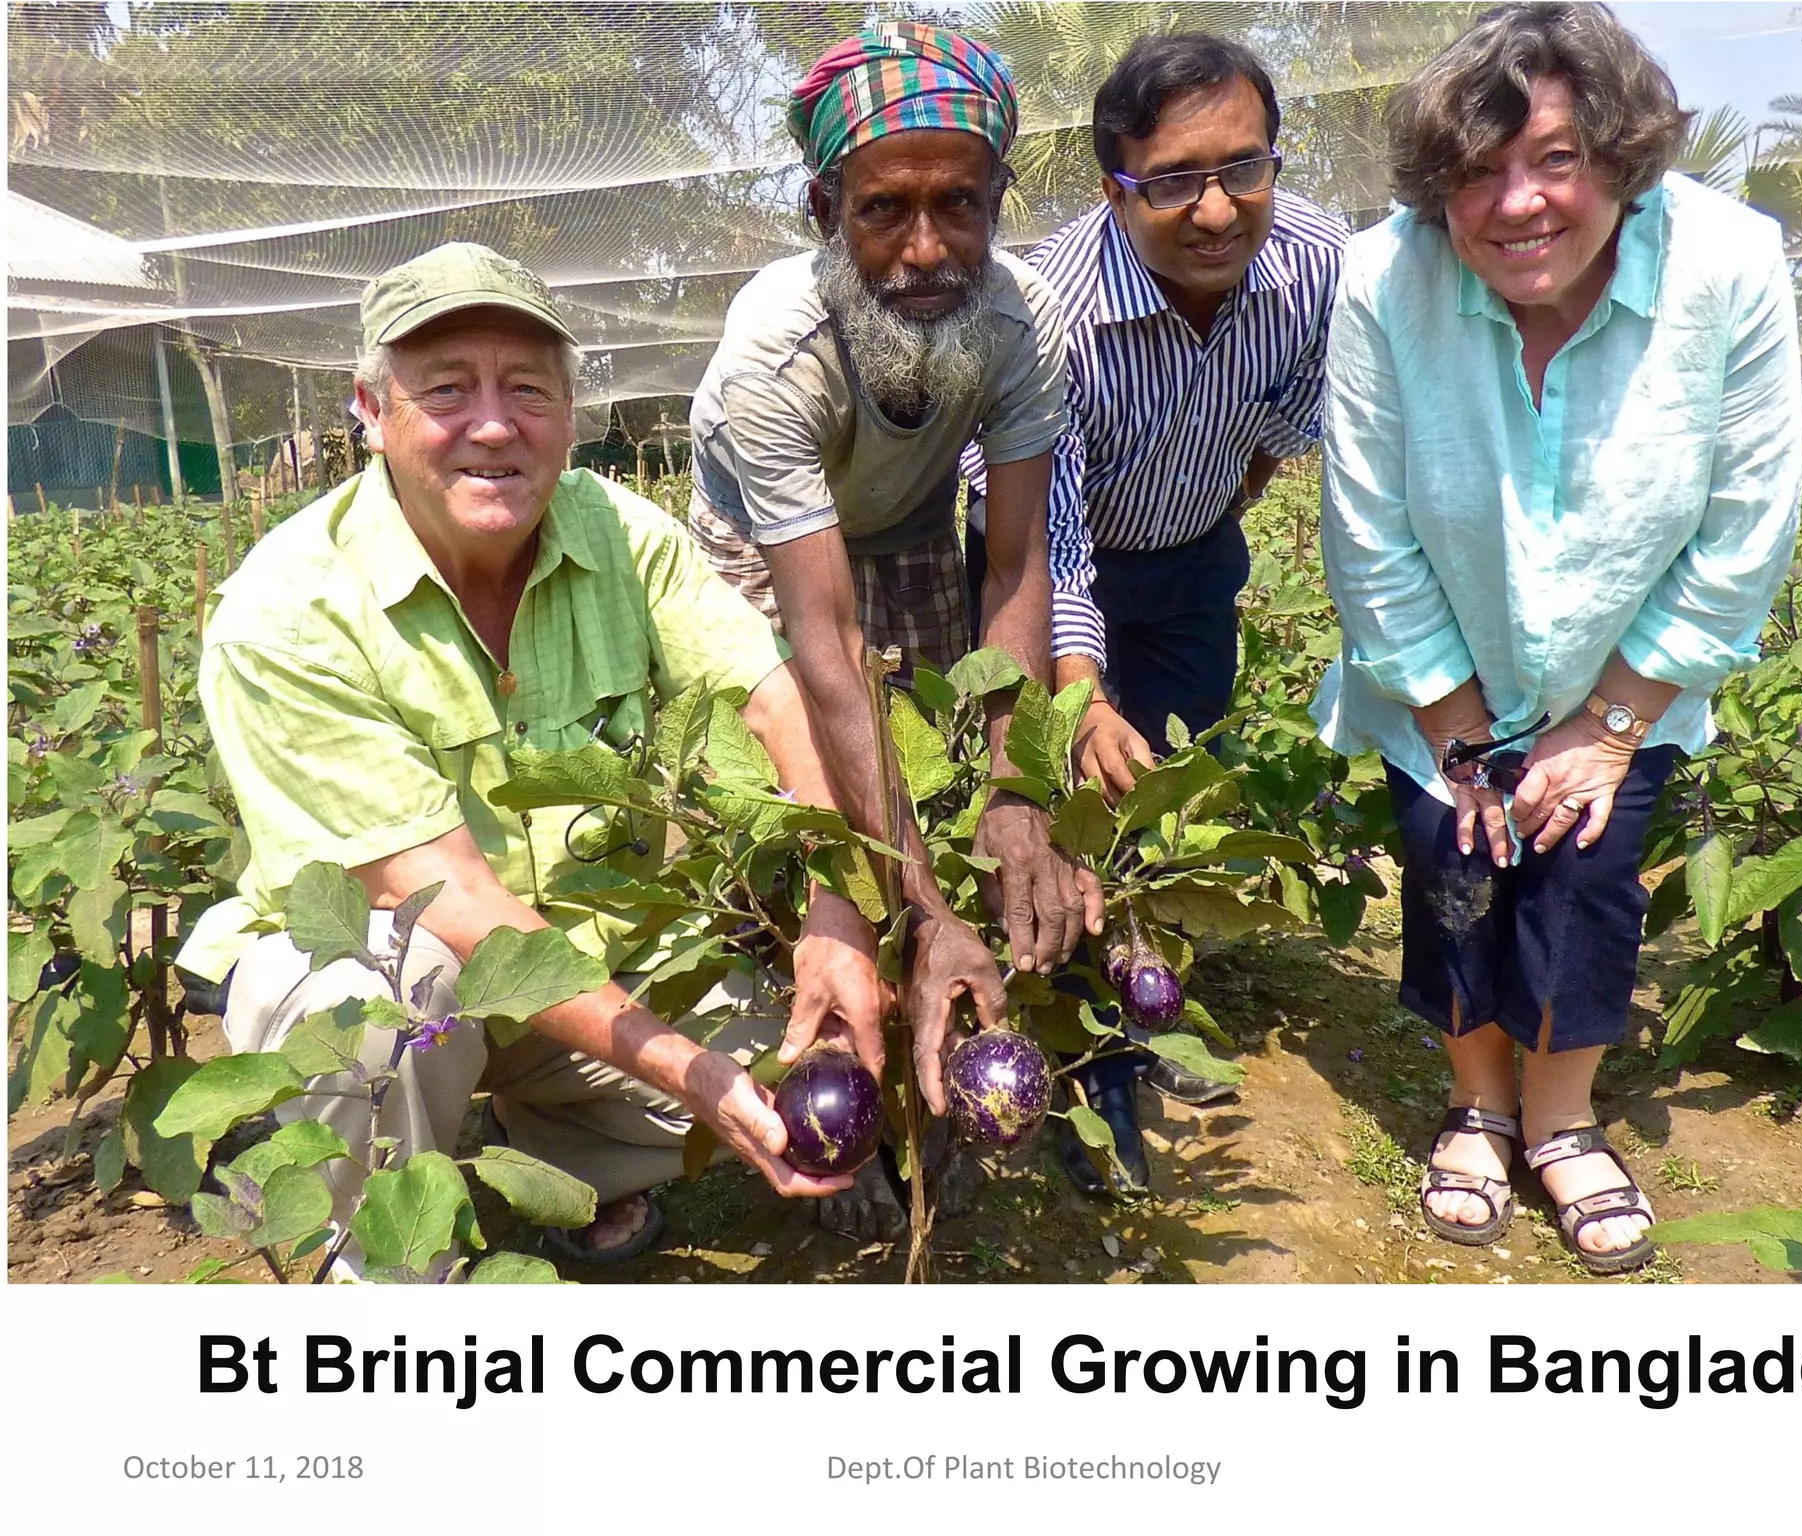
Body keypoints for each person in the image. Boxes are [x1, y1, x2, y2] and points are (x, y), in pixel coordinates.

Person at [175, 242, 891, 1271]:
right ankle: (380, 1269)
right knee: (372, 1001)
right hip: (411, 966)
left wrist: (837, 906)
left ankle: (557, 1150)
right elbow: (453, 900)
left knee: (773, 1072)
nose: (495, 425)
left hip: (594, 961)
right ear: (372, 414)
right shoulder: (283, 612)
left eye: (526, 389)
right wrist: (684, 1069)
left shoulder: (619, 534)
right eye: (447, 390)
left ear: (568, 411)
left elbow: (777, 701)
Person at [1311, 2, 1802, 1273]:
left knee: (1584, 871)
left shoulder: (1729, 268)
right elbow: (1366, 524)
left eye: (1554, 158)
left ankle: (1561, 1118)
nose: (1516, 202)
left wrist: (1611, 722)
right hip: (1441, 655)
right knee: (1450, 856)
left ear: (1622, 158)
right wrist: (1454, 726)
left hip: (1626, 656)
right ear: (1435, 193)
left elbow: (1744, 526)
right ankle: (1477, 1101)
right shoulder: (1382, 278)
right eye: (1476, 171)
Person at [685, 21, 1104, 1232]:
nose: (924, 249)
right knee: (824, 825)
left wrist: (1021, 789)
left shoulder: (1020, 324)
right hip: (761, 559)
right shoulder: (777, 353)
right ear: (826, 207)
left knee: (962, 792)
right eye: (884, 211)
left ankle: (950, 1084)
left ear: (996, 200)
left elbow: (1014, 559)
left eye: (958, 207)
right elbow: (820, 644)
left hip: (914, 530)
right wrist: (919, 901)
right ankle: (833, 1103)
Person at [964, 33, 1349, 1196]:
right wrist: (1075, 692)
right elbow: (1044, 539)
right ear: (1111, 185)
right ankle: (1090, 1055)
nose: (1217, 208)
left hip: (1189, 558)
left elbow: (1290, 419)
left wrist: (1225, 492)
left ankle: (1147, 997)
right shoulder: (1051, 312)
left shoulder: (1315, 262)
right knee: (1075, 791)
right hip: (1043, 568)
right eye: (1173, 180)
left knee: (1168, 782)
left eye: (1244, 168)